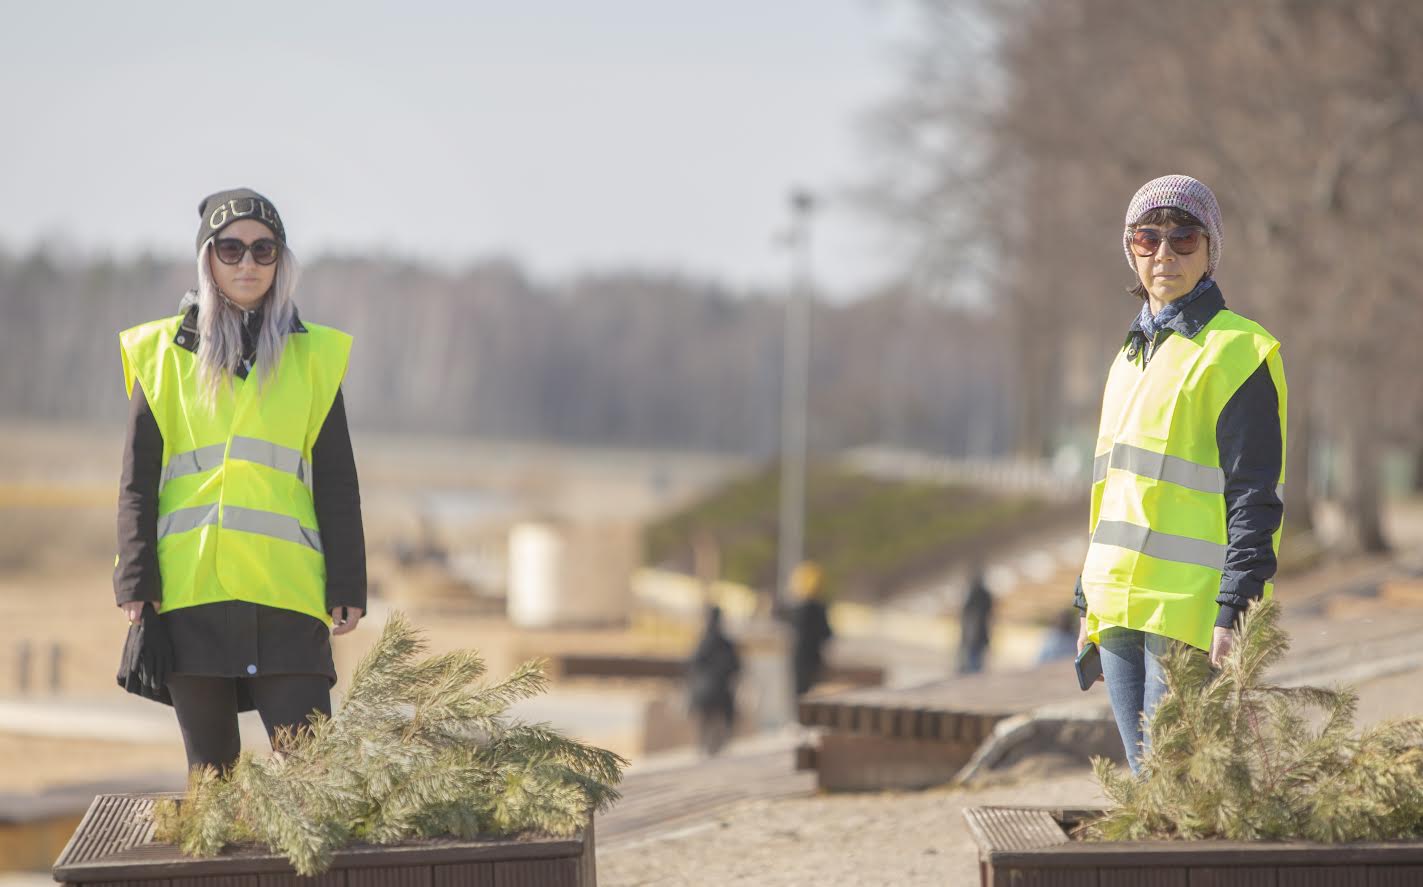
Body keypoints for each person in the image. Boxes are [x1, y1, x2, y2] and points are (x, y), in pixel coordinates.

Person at [113, 189, 367, 773]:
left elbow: (336, 482)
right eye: (230, 249)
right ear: (207, 259)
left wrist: (347, 582)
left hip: (289, 594)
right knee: (212, 777)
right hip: (189, 593)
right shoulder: (159, 355)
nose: (247, 263)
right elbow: (136, 482)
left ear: (281, 260)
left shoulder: (315, 357)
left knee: (311, 775)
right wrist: (135, 581)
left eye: (263, 249)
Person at [1072, 175, 1286, 776]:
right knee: (1147, 787)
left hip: (1190, 616)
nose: (1164, 253)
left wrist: (1236, 605)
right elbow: (1111, 491)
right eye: (1148, 238)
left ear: (1210, 249)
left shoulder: (1239, 352)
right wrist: (1088, 594)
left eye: (1184, 238)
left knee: (1181, 785)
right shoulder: (1129, 356)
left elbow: (1255, 496)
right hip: (1115, 607)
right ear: (1131, 249)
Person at [686, 605, 741, 756]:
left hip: (704, 695)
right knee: (723, 721)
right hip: (722, 696)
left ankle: (705, 747)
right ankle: (718, 745)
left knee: (706, 724)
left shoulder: (702, 643)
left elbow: (692, 667)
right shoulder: (727, 644)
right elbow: (736, 669)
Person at [788, 561, 833, 697]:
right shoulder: (819, 608)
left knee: (801, 696)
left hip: (799, 659)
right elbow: (827, 634)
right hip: (813, 659)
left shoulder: (797, 609)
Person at [956, 567, 993, 674]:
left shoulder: (976, 598)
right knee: (973, 662)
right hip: (974, 636)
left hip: (974, 636)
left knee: (973, 663)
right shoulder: (979, 596)